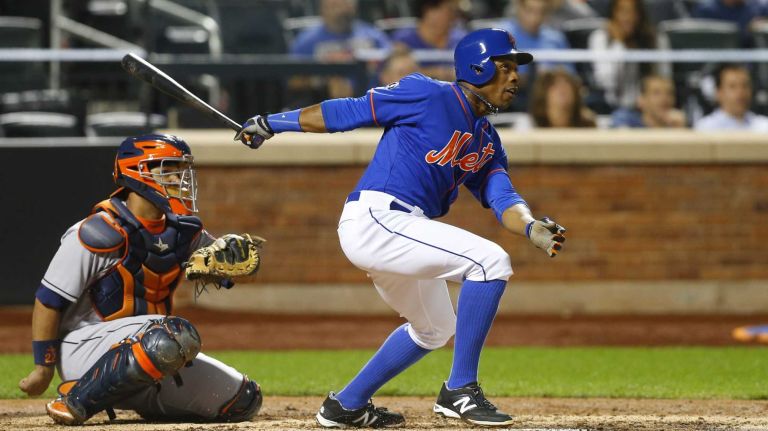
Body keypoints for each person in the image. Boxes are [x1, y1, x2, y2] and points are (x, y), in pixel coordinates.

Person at [236, 28, 566, 428]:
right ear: (477, 67)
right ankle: (459, 390)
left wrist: (530, 226)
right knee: (489, 262)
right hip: (377, 217)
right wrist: (273, 123)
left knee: (435, 328)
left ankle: (345, 405)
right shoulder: (430, 94)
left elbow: (502, 198)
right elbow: (346, 112)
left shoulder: (488, 140)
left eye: (516, 69)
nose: (515, 77)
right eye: (506, 66)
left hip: (402, 227)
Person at [19, 134, 264, 425]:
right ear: (137, 172)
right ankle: (76, 402)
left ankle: (145, 401)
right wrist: (42, 369)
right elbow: (48, 300)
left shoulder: (183, 232)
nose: (179, 178)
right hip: (85, 349)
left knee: (242, 400)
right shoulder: (96, 232)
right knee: (174, 334)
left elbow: (235, 277)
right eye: (168, 168)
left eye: (181, 169)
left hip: (154, 352)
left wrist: (237, 262)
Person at [290, 0, 391, 99]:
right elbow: (292, 81)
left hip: (371, 99)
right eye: (334, 5)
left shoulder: (372, 36)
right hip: (323, 102)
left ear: (354, 7)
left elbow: (394, 62)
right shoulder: (306, 42)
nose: (340, 11)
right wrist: (324, 81)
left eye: (345, 4)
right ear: (322, 9)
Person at [588, 0, 656, 109]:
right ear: (613, 13)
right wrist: (619, 43)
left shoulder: (652, 38)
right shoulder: (600, 38)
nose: (628, 17)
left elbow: (662, 77)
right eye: (622, 11)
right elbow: (606, 82)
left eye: (633, 11)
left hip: (646, 107)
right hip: (609, 105)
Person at [498, 0, 575, 83]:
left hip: (548, 92)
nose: (535, 18)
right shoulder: (501, 35)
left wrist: (551, 76)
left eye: (541, 12)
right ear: (519, 7)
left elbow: (571, 78)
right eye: (530, 10)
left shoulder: (556, 38)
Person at [391, 0, 467, 81]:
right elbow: (399, 74)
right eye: (449, 10)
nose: (453, 16)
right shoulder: (403, 39)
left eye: (454, 11)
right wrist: (438, 73)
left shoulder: (461, 39)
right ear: (428, 10)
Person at [694, 63, 768, 131]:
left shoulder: (764, 126)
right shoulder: (705, 128)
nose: (740, 92)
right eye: (732, 86)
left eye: (745, 86)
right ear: (718, 92)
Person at [522, 68, 596, 128]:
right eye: (555, 84)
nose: (562, 88)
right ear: (543, 94)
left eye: (567, 83)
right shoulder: (528, 126)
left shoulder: (588, 125)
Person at [611, 74, 686, 128]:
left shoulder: (677, 124)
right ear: (641, 100)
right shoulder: (626, 121)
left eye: (669, 93)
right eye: (656, 93)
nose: (664, 98)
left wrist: (679, 130)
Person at [692, 0, 768, 47]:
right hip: (718, 62)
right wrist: (747, 30)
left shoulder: (758, 7)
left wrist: (762, 26)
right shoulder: (707, 10)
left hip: (752, 60)